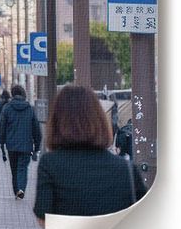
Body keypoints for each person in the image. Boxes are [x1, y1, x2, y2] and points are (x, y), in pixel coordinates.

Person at [34, 85, 146, 220]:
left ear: (57, 121)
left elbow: (43, 216)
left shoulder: (49, 164)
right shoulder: (126, 169)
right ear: (99, 119)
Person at [0, 84, 41, 199]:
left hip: (11, 145)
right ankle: (21, 188)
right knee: (23, 168)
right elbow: (36, 128)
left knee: (14, 169)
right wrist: (37, 146)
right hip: (26, 145)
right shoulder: (30, 108)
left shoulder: (7, 108)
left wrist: (1, 141)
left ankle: (17, 189)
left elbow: (2, 126)